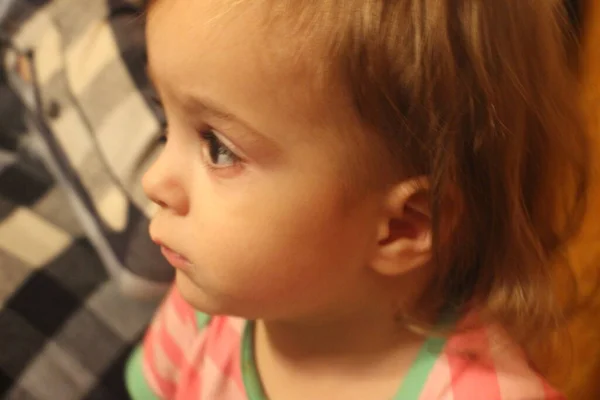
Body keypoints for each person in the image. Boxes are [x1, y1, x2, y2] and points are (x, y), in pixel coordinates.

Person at [125, 0, 589, 398]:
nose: (153, 180)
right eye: (167, 121)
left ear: (404, 226)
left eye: (218, 148)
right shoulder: (212, 297)